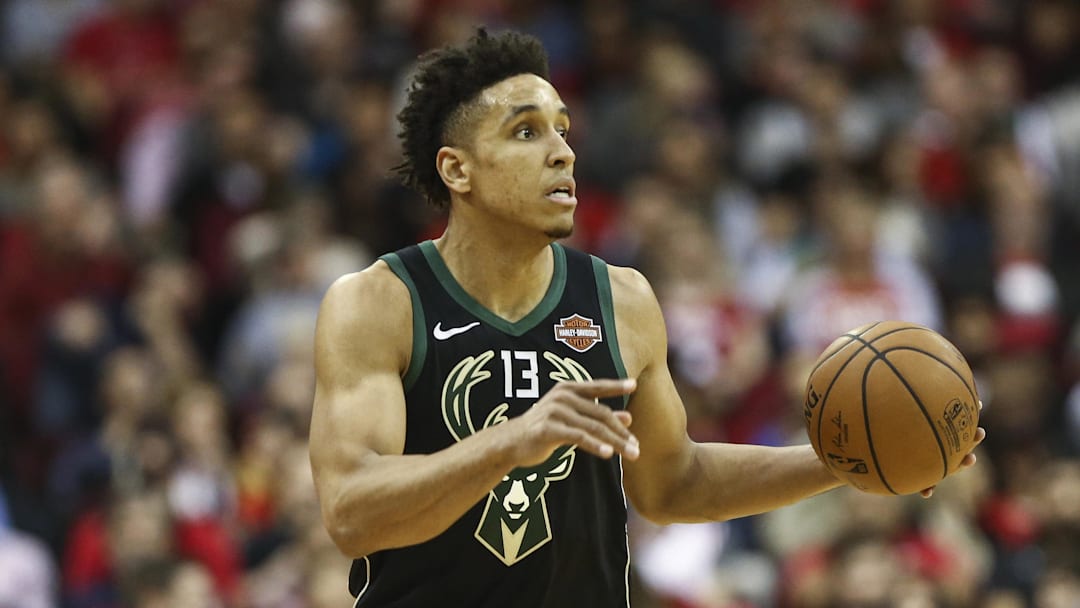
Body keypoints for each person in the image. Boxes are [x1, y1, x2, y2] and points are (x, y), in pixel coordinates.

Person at [308, 29, 985, 607]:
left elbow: (673, 483)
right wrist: (510, 442)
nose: (562, 152)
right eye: (525, 131)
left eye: (563, 131)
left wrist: (850, 458)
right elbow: (350, 511)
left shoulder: (620, 300)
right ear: (457, 170)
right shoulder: (379, 302)